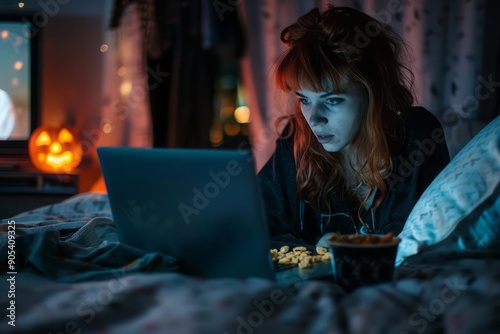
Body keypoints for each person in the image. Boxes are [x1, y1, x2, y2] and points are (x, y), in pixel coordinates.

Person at [257, 5, 450, 247]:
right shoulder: (297, 137)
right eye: (305, 100)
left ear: (373, 94)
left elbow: (425, 239)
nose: (314, 119)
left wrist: (346, 246)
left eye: (332, 100)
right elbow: (255, 226)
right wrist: (314, 250)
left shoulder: (416, 134)